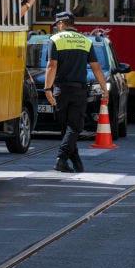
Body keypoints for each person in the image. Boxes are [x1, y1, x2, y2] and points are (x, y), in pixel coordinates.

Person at [43, 11, 108, 173]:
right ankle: (62, 158)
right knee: (74, 127)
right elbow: (96, 67)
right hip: (78, 90)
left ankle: (75, 162)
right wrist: (104, 89)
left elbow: (52, 65)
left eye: (57, 25)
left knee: (67, 127)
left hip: (60, 89)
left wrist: (47, 89)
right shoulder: (86, 41)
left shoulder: (55, 40)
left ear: (61, 24)